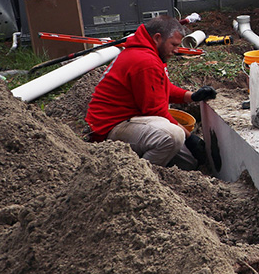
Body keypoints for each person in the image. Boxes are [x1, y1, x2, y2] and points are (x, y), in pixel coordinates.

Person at [85, 15, 217, 169]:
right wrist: (189, 137)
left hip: (128, 120)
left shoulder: (149, 53)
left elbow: (163, 88)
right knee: (172, 137)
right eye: (173, 44)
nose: (176, 50)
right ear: (157, 38)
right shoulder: (145, 61)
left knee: (189, 162)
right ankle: (139, 176)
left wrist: (191, 96)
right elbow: (154, 110)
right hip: (110, 128)